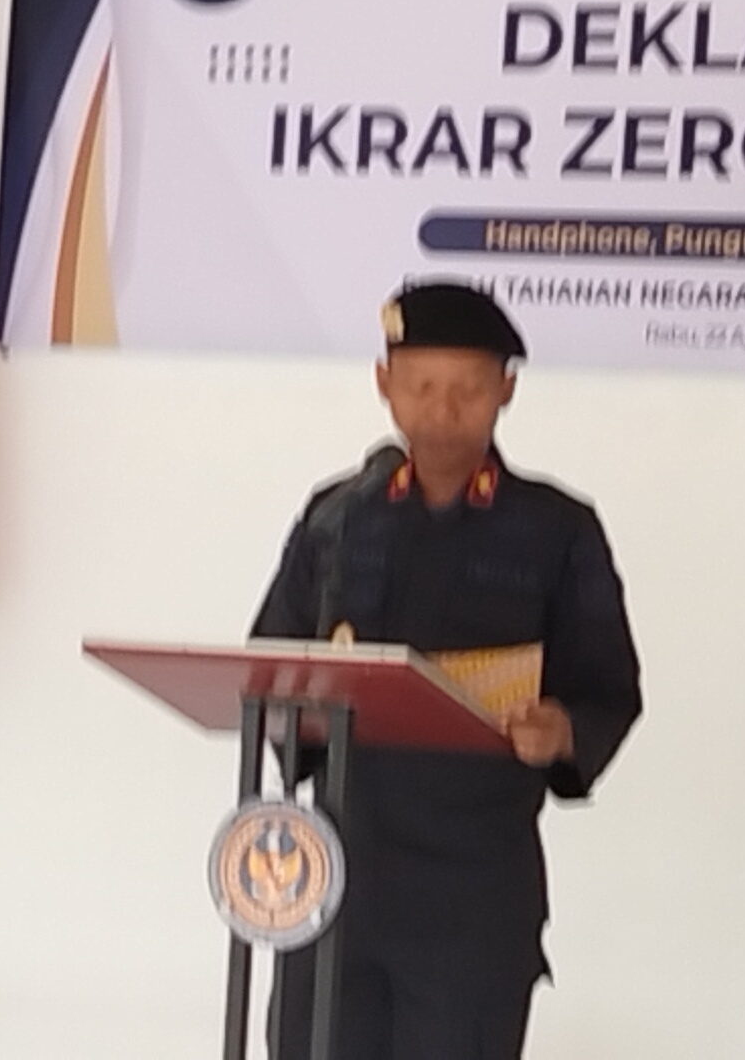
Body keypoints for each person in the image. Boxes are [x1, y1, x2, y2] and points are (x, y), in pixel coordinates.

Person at [250, 280, 643, 1059]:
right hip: (335, 875)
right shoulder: (338, 517)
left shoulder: (556, 529)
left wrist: (561, 729)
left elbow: (608, 689)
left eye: (467, 389)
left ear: (506, 390)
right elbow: (271, 663)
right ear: (384, 384)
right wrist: (296, 716)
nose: (443, 410)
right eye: (422, 386)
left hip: (472, 892)